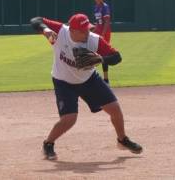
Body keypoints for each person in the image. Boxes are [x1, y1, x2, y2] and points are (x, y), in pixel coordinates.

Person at [30, 13, 142, 160]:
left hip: (89, 79)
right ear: (73, 30)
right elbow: (35, 20)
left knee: (115, 109)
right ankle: (48, 144)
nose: (88, 33)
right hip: (63, 82)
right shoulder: (61, 32)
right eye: (84, 30)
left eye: (88, 29)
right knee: (69, 119)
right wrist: (46, 30)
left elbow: (116, 57)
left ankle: (122, 140)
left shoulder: (94, 40)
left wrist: (101, 58)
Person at [93, 0, 112, 84]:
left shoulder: (105, 7)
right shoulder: (96, 7)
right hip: (98, 32)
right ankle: (92, 76)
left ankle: (106, 79)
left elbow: (107, 21)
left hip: (105, 33)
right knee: (94, 53)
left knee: (104, 54)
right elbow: (98, 22)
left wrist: (103, 34)